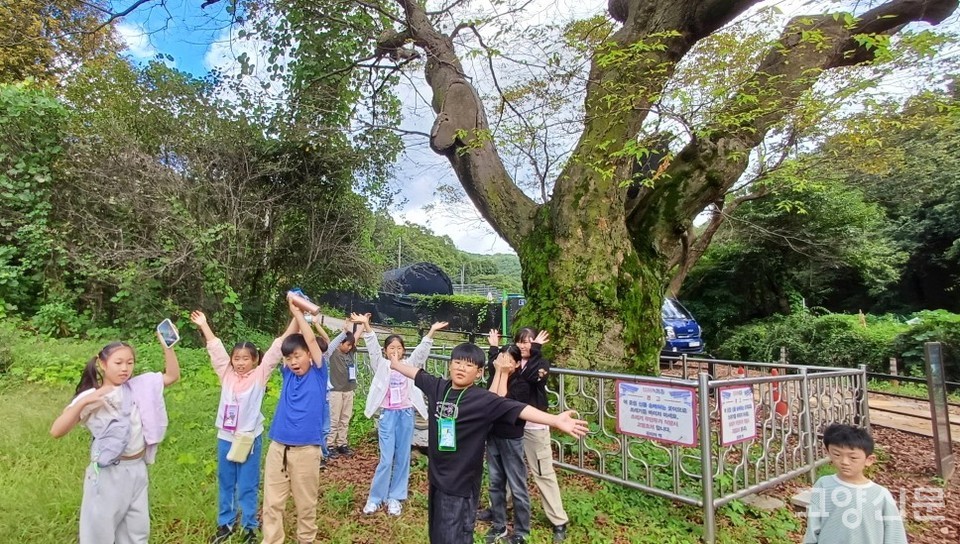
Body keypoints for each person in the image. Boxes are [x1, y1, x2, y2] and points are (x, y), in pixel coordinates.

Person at [386, 342, 589, 544]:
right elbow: (417, 373)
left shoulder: (483, 400)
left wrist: (554, 420)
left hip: (461, 483)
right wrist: (395, 364)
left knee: (454, 536)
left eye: (468, 365)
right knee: (437, 533)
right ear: (450, 365)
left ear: (479, 372)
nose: (461, 368)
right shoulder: (439, 387)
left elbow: (518, 408)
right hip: (437, 478)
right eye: (457, 362)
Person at [50, 331, 181, 544]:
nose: (124, 368)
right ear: (102, 364)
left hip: (137, 468)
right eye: (118, 362)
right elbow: (56, 431)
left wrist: (167, 346)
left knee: (136, 532)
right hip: (108, 472)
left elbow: (172, 376)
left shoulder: (139, 387)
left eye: (129, 362)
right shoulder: (92, 396)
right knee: (99, 532)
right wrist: (84, 403)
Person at [189, 310, 297, 544]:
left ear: (255, 360)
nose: (240, 363)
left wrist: (296, 320)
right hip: (226, 438)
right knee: (226, 481)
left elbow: (277, 349)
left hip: (249, 439)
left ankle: (249, 525)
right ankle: (225, 523)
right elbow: (216, 350)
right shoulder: (226, 375)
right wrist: (204, 325)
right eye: (236, 358)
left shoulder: (260, 376)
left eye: (245, 358)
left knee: (248, 484)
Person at [354, 312, 448, 516]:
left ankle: (395, 497)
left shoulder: (409, 365)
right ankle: (375, 498)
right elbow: (371, 349)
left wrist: (431, 332)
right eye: (391, 348)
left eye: (399, 348)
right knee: (386, 458)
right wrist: (367, 327)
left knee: (403, 457)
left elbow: (422, 353)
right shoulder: (381, 365)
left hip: (406, 415)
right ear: (386, 351)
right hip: (388, 415)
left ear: (404, 351)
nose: (395, 352)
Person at [260, 295, 330, 544]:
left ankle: (306, 541)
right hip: (278, 448)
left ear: (310, 356)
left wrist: (300, 313)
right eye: (289, 359)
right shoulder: (288, 374)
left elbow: (309, 339)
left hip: (306, 451)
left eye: (298, 356)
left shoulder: (319, 373)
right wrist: (293, 313)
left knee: (306, 507)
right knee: (271, 505)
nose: (293, 362)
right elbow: (283, 345)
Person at [803, 424, 907, 544]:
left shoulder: (880, 494)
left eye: (853, 457)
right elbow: (813, 527)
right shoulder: (824, 485)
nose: (844, 462)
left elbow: (894, 533)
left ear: (869, 460)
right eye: (837, 455)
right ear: (828, 452)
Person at [513, 327, 570, 542]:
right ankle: (503, 505)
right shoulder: (511, 360)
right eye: (520, 341)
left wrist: (536, 351)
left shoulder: (541, 363)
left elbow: (528, 379)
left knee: (542, 472)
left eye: (529, 341)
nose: (524, 345)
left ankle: (558, 520)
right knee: (511, 469)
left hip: (535, 428)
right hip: (512, 425)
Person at [482, 336, 533, 544]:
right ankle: (499, 524)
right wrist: (499, 372)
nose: (504, 363)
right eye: (502, 358)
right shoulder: (494, 376)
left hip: (512, 439)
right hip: (493, 436)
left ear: (518, 363)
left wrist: (502, 373)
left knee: (517, 485)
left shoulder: (522, 385)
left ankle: (522, 530)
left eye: (509, 360)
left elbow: (502, 402)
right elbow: (490, 400)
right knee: (495, 482)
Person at [324, 320, 359, 458]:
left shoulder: (350, 354)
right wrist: (343, 331)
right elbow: (330, 343)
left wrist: (363, 323)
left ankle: (342, 443)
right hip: (335, 391)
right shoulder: (332, 354)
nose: (350, 347)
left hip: (348, 389)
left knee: (345, 418)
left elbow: (357, 337)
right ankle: (330, 444)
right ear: (340, 343)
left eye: (351, 345)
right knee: (334, 418)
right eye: (347, 344)